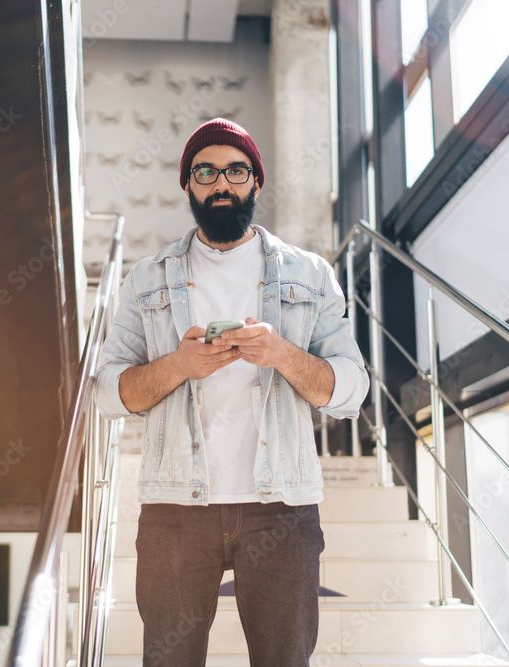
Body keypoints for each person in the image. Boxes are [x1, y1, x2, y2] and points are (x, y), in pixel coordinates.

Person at [95, 118, 368, 666]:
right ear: (188, 185)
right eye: (206, 171)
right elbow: (105, 394)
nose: (222, 183)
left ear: (256, 183)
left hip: (282, 507)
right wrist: (179, 364)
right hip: (175, 507)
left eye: (236, 170)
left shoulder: (311, 275)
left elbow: (351, 392)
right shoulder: (146, 279)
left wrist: (282, 354)